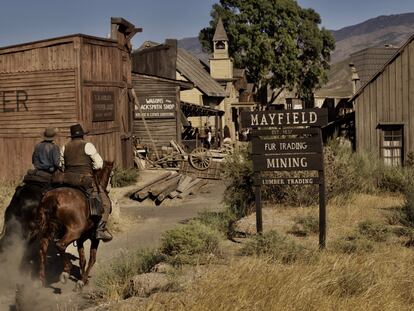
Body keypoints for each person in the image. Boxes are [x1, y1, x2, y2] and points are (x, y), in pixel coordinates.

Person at [61, 124, 112, 242]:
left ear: (72, 136)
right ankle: (100, 229)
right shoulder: (87, 145)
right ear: (82, 135)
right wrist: (91, 167)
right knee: (105, 203)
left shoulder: (65, 147)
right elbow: (99, 164)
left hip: (68, 180)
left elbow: (61, 164)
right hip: (85, 180)